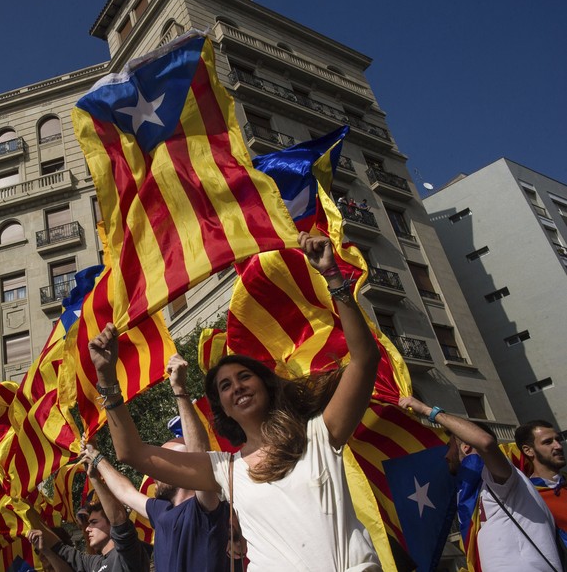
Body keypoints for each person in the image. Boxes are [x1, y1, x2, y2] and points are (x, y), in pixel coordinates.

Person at [90, 232, 382, 571]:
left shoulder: (319, 434)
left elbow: (364, 360)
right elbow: (132, 453)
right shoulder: (225, 472)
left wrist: (334, 278)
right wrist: (107, 378)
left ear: (267, 385)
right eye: (225, 386)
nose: (237, 387)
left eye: (245, 376)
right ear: (223, 407)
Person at [87, 353, 230, 572]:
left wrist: (179, 390)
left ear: (184, 469)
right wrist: (96, 458)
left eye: (165, 463)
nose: (154, 473)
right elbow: (125, 491)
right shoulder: (160, 510)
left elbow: (200, 457)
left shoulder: (206, 509)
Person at [400, 397, 563, 571]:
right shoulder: (477, 492)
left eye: (450, 447)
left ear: (466, 448)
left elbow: (485, 442)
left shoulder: (501, 478)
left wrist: (426, 410)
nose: (446, 456)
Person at [27, 448, 149, 572]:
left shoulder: (128, 554)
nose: (87, 528)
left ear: (111, 525)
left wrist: (93, 477)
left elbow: (118, 518)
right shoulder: (93, 564)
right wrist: (24, 506)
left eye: (94, 522)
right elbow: (60, 548)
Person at [516, 420, 567, 549]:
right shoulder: (527, 498)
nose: (558, 446)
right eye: (548, 442)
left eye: (558, 439)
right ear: (528, 451)